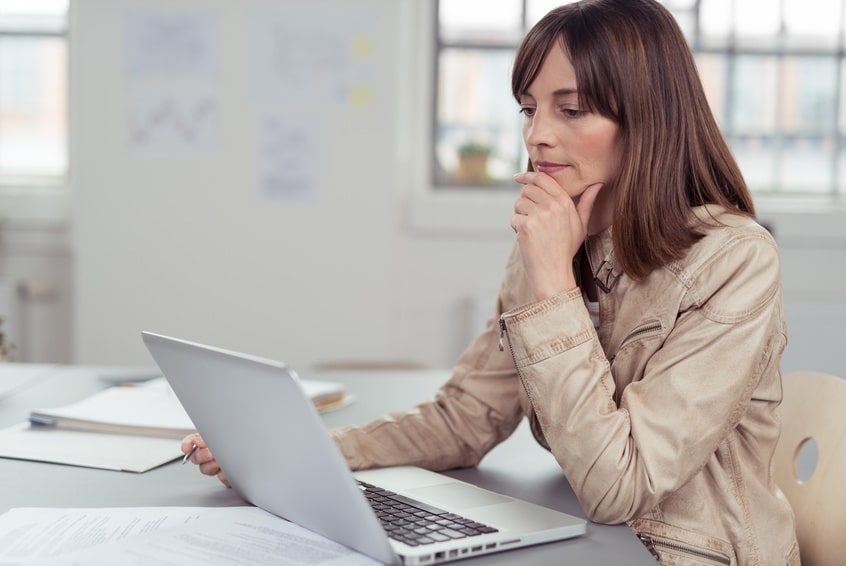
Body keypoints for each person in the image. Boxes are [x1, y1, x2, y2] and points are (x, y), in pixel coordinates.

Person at [182, 1, 799, 563]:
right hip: (590, 540)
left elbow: (619, 486)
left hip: (688, 552)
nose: (536, 135)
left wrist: (554, 284)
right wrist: (303, 451)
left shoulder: (734, 262)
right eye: (529, 110)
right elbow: (466, 418)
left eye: (571, 108)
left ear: (647, 118)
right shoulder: (555, 235)